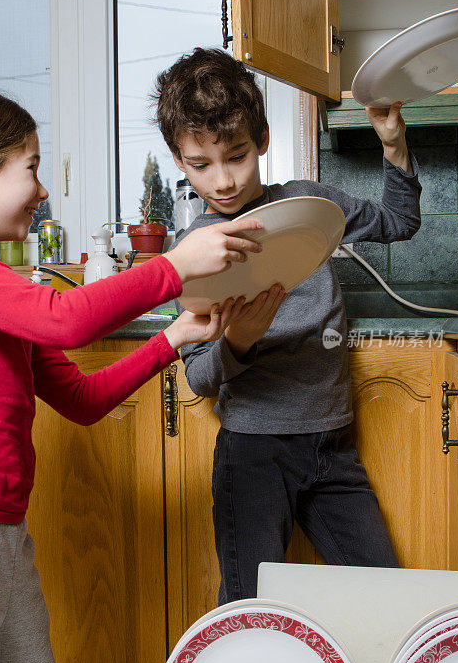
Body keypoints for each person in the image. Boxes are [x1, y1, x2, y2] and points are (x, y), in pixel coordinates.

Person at [0, 87, 264, 663]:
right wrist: (174, 266)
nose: (41, 192)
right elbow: (65, 321)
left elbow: (83, 400)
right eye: (31, 167)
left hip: (3, 542)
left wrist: (174, 337)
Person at [154, 47, 422, 605]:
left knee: (389, 601)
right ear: (180, 161)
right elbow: (201, 378)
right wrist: (240, 341)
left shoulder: (310, 204)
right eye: (201, 165)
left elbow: (401, 221)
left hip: (333, 445)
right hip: (253, 453)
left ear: (264, 140)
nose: (223, 180)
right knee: (249, 615)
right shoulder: (192, 252)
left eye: (238, 155)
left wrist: (393, 141)